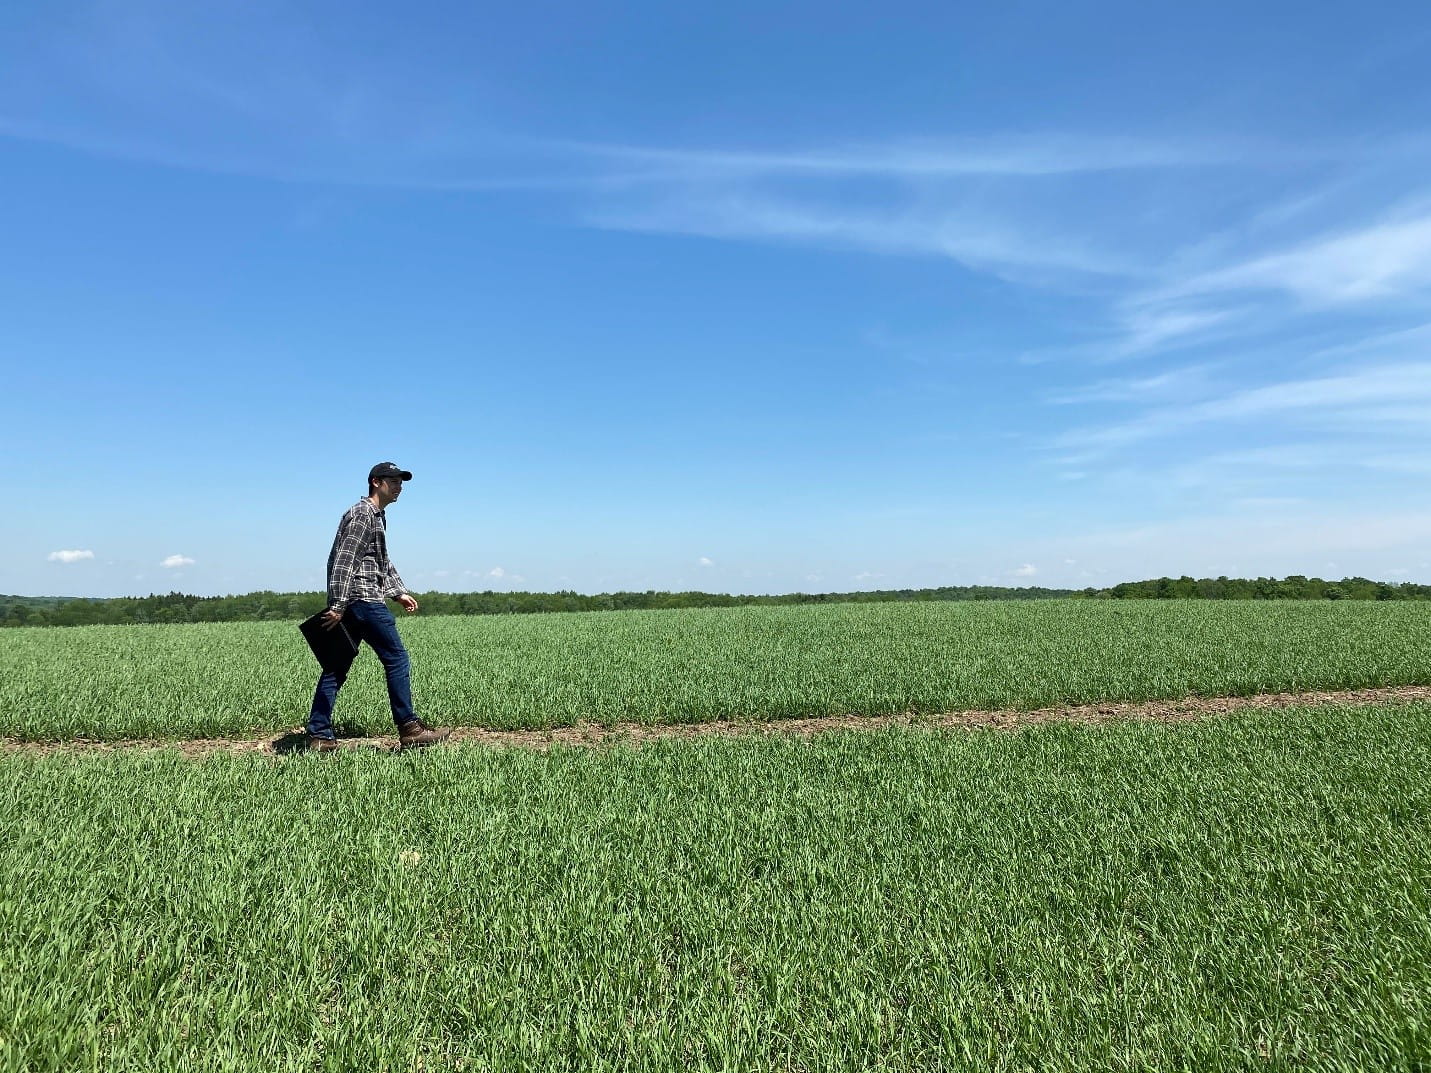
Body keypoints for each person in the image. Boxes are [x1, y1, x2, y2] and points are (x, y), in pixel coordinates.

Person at [305, 462, 451, 751]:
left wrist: (398, 592)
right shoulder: (362, 515)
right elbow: (343, 561)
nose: (399, 486)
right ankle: (409, 728)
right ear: (376, 482)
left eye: (401, 481)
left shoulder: (375, 516)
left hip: (355, 601)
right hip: (364, 599)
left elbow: (380, 560)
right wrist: (337, 605)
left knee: (336, 667)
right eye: (393, 480)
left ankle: (319, 734)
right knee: (397, 658)